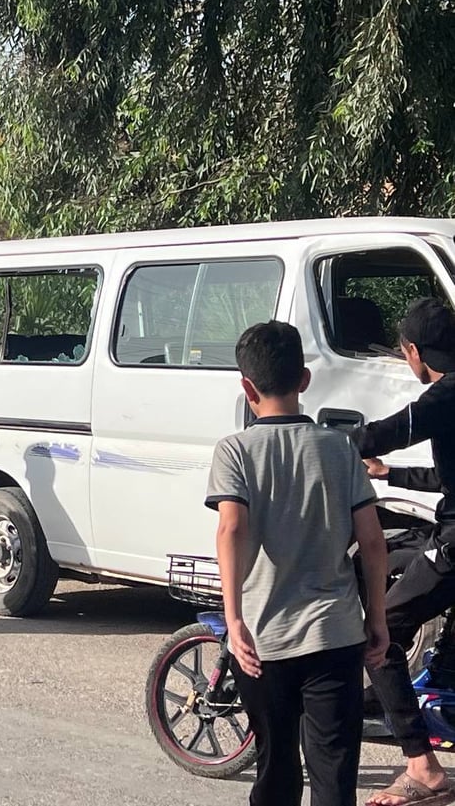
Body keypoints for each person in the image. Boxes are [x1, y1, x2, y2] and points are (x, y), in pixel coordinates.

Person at [207, 321, 388, 806]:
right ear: (304, 380)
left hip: (263, 638)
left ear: (247, 388)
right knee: (334, 773)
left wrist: (233, 619)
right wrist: (377, 618)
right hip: (335, 634)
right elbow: (372, 542)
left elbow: (231, 529)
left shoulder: (235, 451)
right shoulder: (339, 447)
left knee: (277, 768)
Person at [352, 298, 455, 806]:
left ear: (413, 351)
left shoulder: (446, 393)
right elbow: (447, 476)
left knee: (382, 633)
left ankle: (422, 767)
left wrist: (322, 442)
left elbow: (392, 429)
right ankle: (400, 696)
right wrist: (389, 474)